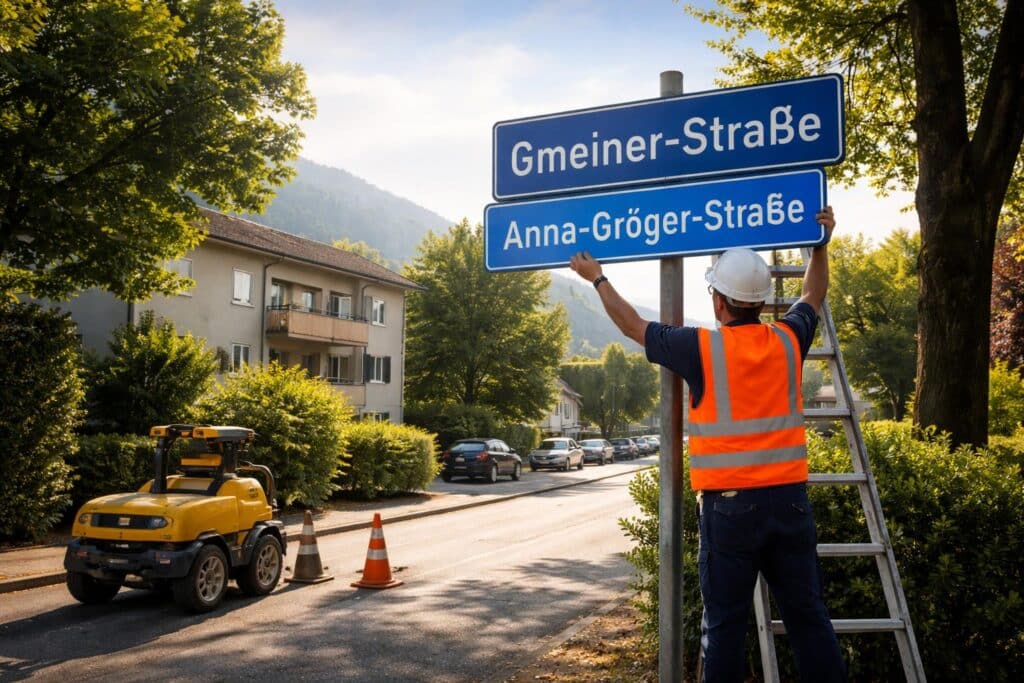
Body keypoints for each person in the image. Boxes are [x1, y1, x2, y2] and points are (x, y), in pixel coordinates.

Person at [569, 206, 846, 682]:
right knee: (809, 620)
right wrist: (820, 246)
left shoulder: (702, 347)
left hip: (730, 511)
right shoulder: (788, 340)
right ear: (760, 301)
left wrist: (597, 278)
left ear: (720, 301)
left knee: (724, 628)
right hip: (789, 504)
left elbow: (633, 327)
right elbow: (812, 294)